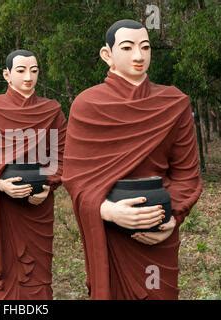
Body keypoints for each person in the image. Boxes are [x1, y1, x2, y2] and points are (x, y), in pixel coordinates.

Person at [62, 19, 203, 299]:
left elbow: (187, 175)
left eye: (145, 47)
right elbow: (75, 179)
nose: (139, 56)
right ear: (107, 55)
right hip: (112, 232)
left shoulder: (173, 103)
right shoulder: (87, 105)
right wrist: (107, 211)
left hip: (159, 229)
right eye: (127, 47)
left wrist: (172, 218)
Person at [0, 50, 67, 299]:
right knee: (10, 268)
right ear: (7, 74)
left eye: (34, 71)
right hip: (6, 203)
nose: (28, 77)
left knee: (39, 267)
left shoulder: (51, 110)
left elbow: (64, 154)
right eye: (21, 71)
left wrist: (49, 185)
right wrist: (0, 184)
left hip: (39, 203)